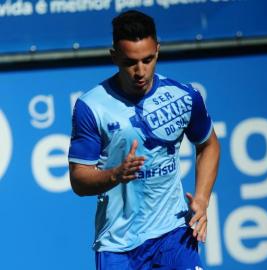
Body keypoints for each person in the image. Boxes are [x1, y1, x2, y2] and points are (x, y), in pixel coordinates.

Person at [68, 10, 220, 270]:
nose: (140, 71)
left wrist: (203, 200)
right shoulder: (91, 107)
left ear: (158, 50)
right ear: (114, 56)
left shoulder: (183, 96)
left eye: (148, 59)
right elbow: (79, 179)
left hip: (173, 232)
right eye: (130, 62)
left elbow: (208, 145)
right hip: (119, 245)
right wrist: (116, 174)